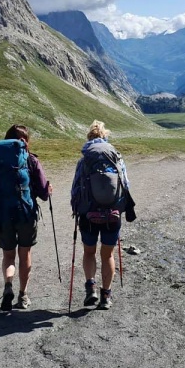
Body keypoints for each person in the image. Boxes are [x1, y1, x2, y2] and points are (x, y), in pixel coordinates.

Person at [0, 124, 52, 311]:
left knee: (8, 255)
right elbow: (44, 192)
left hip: (2, 214)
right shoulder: (31, 160)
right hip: (25, 213)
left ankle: (8, 285)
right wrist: (48, 190)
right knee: (25, 254)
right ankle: (23, 295)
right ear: (26, 141)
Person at [71, 120, 136, 310]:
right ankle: (106, 296)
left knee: (89, 252)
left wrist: (77, 210)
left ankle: (90, 287)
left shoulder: (84, 161)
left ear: (89, 138)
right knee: (107, 255)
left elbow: (75, 189)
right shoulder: (117, 158)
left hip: (88, 215)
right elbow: (125, 185)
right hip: (112, 214)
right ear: (105, 137)